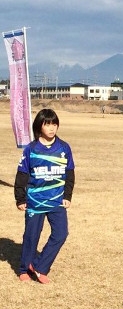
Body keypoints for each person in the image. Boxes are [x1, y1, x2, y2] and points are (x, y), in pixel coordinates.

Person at [14, 108, 76, 284]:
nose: (51, 128)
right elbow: (22, 175)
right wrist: (20, 198)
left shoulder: (64, 147)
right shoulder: (31, 149)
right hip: (34, 201)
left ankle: (40, 267)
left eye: (54, 124)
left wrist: (68, 195)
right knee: (31, 236)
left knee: (61, 234)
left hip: (56, 200)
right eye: (47, 124)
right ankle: (24, 268)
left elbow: (70, 173)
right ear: (39, 126)